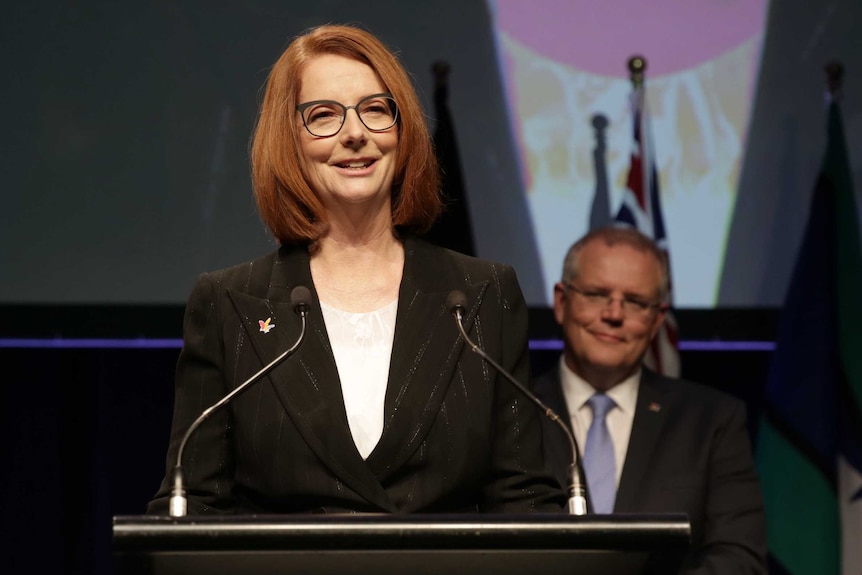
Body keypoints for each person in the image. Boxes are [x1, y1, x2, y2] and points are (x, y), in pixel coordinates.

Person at [146, 24, 564, 515]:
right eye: (323, 115)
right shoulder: (229, 303)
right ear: (289, 141)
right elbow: (193, 501)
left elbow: (524, 498)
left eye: (375, 110)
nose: (355, 134)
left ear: (401, 128)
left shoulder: (481, 294)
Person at [533, 226, 767, 573]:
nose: (613, 314)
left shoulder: (712, 421)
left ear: (657, 319)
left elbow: (739, 558)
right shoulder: (510, 410)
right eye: (597, 294)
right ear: (561, 302)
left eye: (635, 302)